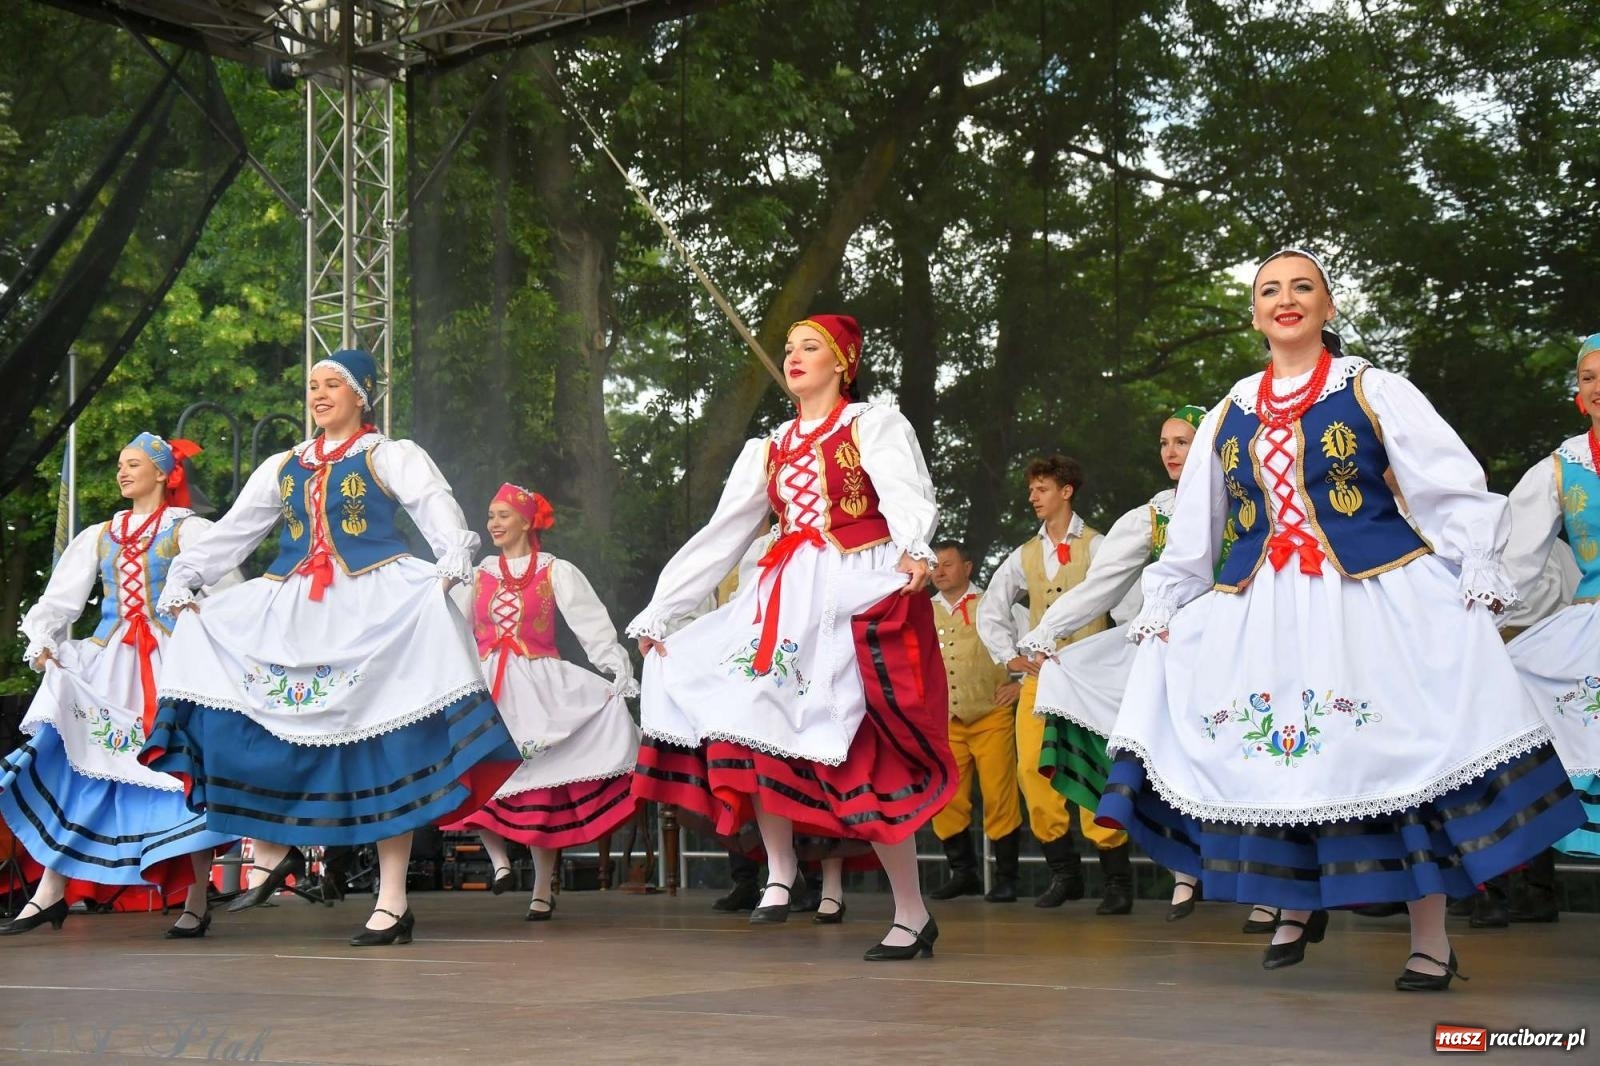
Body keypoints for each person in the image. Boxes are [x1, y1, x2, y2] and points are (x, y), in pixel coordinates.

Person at [1096, 248, 1584, 991]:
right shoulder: (1231, 411)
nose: (1286, 299)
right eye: (1270, 290)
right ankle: (1295, 905)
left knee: (1400, 762)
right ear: (1254, 315)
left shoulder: (1372, 389)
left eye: (1303, 287)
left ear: (1327, 307)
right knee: (1281, 763)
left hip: (1370, 603)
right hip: (1264, 612)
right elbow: (1198, 531)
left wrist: (1475, 566)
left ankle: (1430, 940)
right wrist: (1167, 603)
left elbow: (1447, 488)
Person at [142, 349, 519, 946]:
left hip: (373, 604)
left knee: (387, 747)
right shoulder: (283, 465)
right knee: (270, 723)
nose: (318, 394)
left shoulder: (388, 455)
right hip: (294, 608)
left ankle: (392, 900)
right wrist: (186, 577)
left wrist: (451, 557)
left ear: (361, 395)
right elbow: (237, 531)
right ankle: (276, 845)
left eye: (331, 385)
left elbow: (434, 506)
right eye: (313, 385)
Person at [628, 314, 954, 960]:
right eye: (789, 349)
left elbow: (905, 492)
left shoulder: (871, 424)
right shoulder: (769, 446)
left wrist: (915, 546)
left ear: (843, 362)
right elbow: (725, 532)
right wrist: (664, 609)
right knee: (744, 713)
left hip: (852, 589)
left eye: (811, 347)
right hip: (783, 595)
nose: (794, 357)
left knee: (861, 753)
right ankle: (780, 870)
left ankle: (912, 912)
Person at [1020, 405, 1273, 927]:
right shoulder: (1152, 516)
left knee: (1249, 760)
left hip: (1240, 651)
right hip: (1177, 657)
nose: (1172, 452)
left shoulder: (1251, 502)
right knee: (1170, 759)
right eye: (1164, 443)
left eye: (1183, 441)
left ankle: (1269, 889)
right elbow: (1100, 585)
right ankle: (1185, 870)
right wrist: (1048, 630)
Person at [0, 434, 236, 937]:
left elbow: (230, 592)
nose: (122, 473)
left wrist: (195, 611)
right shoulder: (101, 535)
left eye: (133, 464)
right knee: (85, 768)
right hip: (109, 663)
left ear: (162, 473)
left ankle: (197, 898)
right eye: (120, 465)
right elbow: (58, 600)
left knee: (181, 774)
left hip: (172, 663)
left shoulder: (189, 530)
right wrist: (43, 640)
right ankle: (50, 892)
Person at [442, 484, 640, 921]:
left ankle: (541, 887)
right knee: (474, 772)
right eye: (490, 515)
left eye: (502, 515)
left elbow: (591, 623)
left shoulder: (555, 571)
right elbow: (447, 625)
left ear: (527, 522)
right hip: (488, 683)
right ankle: (499, 862)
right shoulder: (476, 575)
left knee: (541, 785)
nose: (493, 524)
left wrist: (615, 669)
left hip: (538, 685)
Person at [976, 456, 1121, 910]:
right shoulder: (1025, 554)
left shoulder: (1099, 546)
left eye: (1041, 489)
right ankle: (1064, 872)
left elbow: (1130, 606)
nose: (1033, 497)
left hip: (1089, 679)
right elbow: (991, 606)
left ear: (1066, 491)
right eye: (1031, 490)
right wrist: (1009, 656)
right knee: (1030, 769)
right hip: (1041, 676)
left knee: (1095, 768)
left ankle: (1117, 880)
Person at [1500, 332, 1600, 872]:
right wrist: (1476, 620)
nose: (1598, 387)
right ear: (1578, 394)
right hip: (1589, 620)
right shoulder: (1560, 467)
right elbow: (1516, 560)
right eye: (1588, 378)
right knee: (1509, 677)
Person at [926, 540, 1024, 903]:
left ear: (967, 567)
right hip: (946, 720)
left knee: (1000, 795)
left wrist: (1021, 685)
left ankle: (1007, 878)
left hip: (990, 714)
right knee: (946, 797)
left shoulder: (994, 605)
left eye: (947, 564)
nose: (939, 571)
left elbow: (1034, 643)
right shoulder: (924, 610)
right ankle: (963, 872)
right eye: (934, 565)